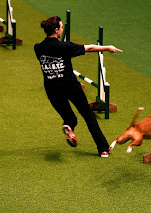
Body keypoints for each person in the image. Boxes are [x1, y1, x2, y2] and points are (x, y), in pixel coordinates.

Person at [34, 16, 123, 158]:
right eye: (61, 28)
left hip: (52, 90)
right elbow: (90, 48)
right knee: (88, 116)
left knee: (70, 118)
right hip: (70, 87)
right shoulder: (64, 47)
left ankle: (69, 126)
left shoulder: (38, 48)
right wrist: (107, 48)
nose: (62, 30)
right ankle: (103, 149)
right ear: (56, 30)